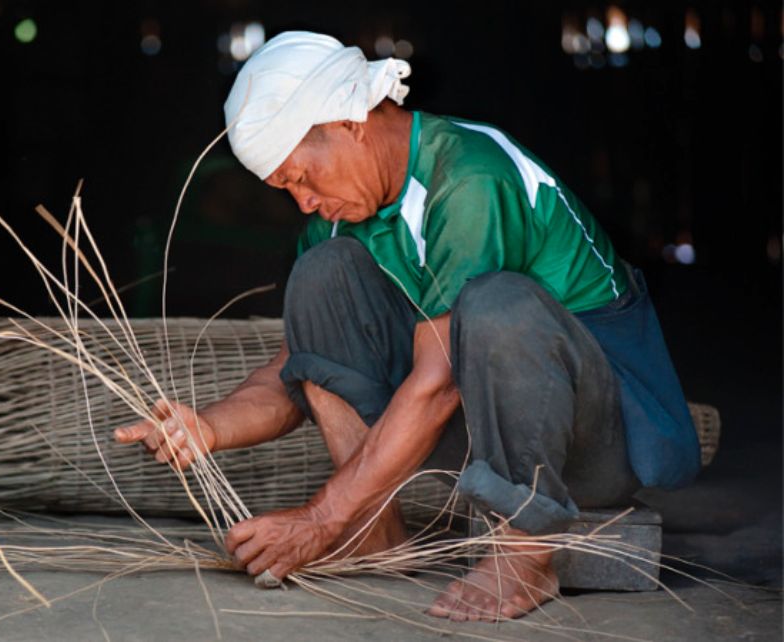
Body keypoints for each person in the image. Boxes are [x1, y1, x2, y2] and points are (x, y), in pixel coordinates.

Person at [115, 31, 700, 622]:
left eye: (301, 176)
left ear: (351, 123)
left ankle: (525, 553)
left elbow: (438, 381)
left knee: (495, 303)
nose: (303, 202)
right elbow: (302, 365)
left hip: (594, 438)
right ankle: (374, 532)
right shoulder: (343, 220)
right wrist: (209, 428)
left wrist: (320, 518)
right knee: (322, 275)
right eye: (285, 188)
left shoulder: (469, 180)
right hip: (482, 434)